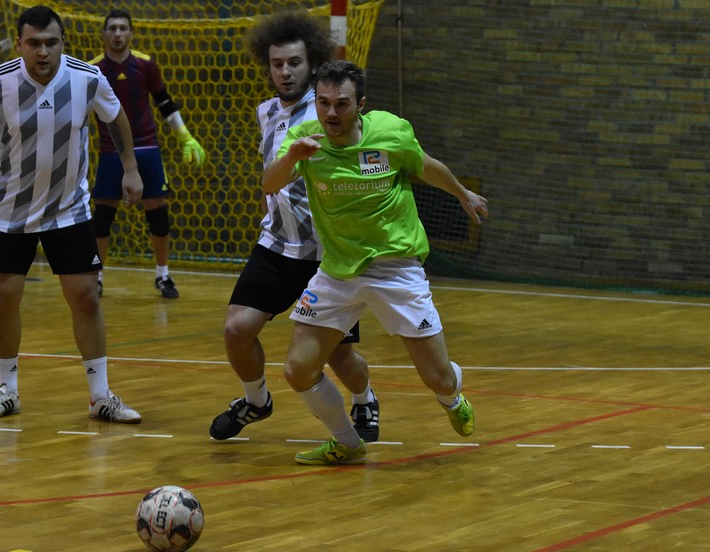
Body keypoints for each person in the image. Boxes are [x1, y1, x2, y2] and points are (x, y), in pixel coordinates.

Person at [262, 60, 489, 465]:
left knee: (436, 377)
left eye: (342, 104)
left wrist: (461, 193)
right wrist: (292, 155)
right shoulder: (304, 139)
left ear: (360, 105)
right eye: (324, 103)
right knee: (298, 370)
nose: (331, 113)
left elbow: (425, 165)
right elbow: (270, 184)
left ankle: (453, 397)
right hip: (337, 271)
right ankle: (347, 443)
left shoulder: (390, 133)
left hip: (395, 268)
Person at [0, 5, 143, 423]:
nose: (43, 52)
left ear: (63, 43)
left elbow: (117, 119)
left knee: (86, 297)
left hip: (68, 208)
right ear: (20, 43)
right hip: (9, 209)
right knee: (4, 298)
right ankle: (7, 390)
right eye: (34, 43)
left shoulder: (88, 78)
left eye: (51, 43)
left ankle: (100, 396)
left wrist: (131, 168)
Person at [208, 12, 379, 443]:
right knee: (236, 330)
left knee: (340, 358)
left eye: (294, 63)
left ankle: (364, 400)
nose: (284, 71)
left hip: (327, 257)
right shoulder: (266, 111)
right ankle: (256, 400)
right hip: (277, 245)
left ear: (313, 64)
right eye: (277, 63)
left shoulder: (327, 111)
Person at [90, 9, 206, 299]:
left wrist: (185, 137)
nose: (117, 33)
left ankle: (163, 276)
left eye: (123, 28)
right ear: (103, 35)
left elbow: (165, 103)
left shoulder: (145, 64)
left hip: (146, 147)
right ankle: (97, 277)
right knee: (102, 218)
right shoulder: (92, 69)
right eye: (112, 28)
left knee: (158, 216)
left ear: (131, 33)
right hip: (110, 150)